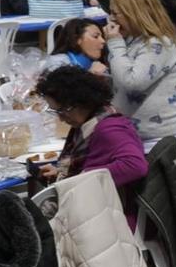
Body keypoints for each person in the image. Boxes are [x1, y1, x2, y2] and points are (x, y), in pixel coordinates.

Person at [33, 65, 149, 227]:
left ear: (81, 101)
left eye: (63, 110)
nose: (61, 118)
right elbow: (94, 162)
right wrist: (61, 173)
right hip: (96, 210)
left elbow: (135, 165)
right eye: (56, 112)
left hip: (109, 221)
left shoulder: (108, 128)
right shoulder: (91, 120)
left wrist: (81, 179)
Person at [103, 0, 176, 145]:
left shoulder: (157, 44)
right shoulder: (132, 42)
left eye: (116, 14)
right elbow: (122, 78)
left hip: (161, 141)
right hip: (135, 137)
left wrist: (115, 44)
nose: (111, 19)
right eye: (110, 13)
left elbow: (132, 83)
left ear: (135, 14)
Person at [45, 17, 109, 75]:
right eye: (95, 36)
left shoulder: (97, 64)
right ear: (77, 39)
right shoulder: (56, 64)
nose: (103, 41)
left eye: (102, 37)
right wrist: (91, 75)